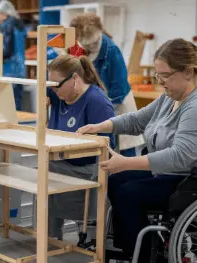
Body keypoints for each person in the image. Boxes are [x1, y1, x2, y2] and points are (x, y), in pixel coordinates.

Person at [77, 39, 197, 261]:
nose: (161, 81)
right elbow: (137, 120)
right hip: (179, 174)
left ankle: (143, 256)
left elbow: (180, 157)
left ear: (189, 72)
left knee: (129, 192)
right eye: (158, 75)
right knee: (116, 181)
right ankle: (136, 248)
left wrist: (125, 162)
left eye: (165, 75)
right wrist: (100, 126)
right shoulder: (170, 97)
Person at [46, 54, 116, 244]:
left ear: (75, 79)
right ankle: (51, 237)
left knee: (47, 171)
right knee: (43, 169)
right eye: (49, 84)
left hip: (90, 168)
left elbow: (105, 149)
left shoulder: (97, 101)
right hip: (63, 162)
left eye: (56, 84)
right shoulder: (59, 93)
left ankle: (89, 236)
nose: (52, 89)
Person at [70, 13, 145, 157]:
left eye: (92, 43)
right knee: (102, 152)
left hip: (118, 105)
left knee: (124, 150)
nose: (90, 47)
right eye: (85, 44)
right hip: (98, 105)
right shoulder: (82, 48)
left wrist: (103, 109)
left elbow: (119, 88)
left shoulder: (112, 52)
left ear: (99, 33)